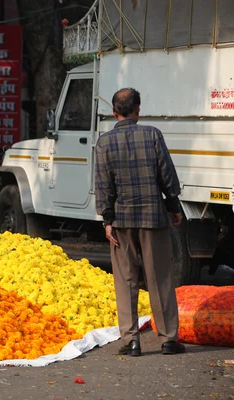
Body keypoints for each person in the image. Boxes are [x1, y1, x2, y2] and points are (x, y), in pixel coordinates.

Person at [95, 88, 185, 356]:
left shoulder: (104, 143)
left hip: (121, 221)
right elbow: (167, 176)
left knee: (126, 279)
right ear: (138, 109)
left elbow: (103, 186)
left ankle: (131, 341)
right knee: (160, 279)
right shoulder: (152, 135)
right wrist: (174, 207)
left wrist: (107, 220)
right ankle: (168, 338)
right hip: (153, 217)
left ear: (114, 112)